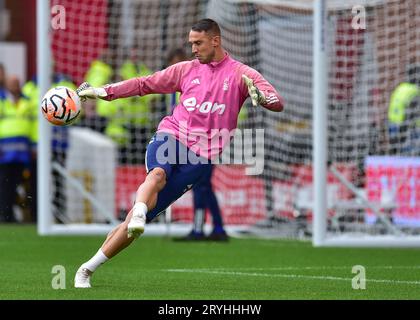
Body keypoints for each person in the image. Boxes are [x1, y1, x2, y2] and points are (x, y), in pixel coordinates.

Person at [74, 18, 284, 288]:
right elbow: (144, 84)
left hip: (200, 158)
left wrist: (264, 99)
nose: (193, 48)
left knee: (131, 227)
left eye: (198, 43)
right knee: (157, 174)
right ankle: (139, 210)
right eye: (191, 43)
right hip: (171, 135)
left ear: (215, 40)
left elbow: (277, 102)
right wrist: (104, 91)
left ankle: (86, 269)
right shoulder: (186, 70)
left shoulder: (241, 74)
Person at [166, 47, 228, 241]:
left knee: (200, 185)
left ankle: (199, 229)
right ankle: (218, 229)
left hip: (204, 141)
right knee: (204, 185)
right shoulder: (174, 86)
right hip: (188, 141)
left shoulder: (198, 83)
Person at [0, 75, 32, 223]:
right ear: (7, 85)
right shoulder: (2, 100)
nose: (15, 86)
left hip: (21, 152)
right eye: (12, 84)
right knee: (4, 184)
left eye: (17, 83)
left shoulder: (26, 101)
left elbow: (31, 125)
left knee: (19, 184)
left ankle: (15, 214)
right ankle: (5, 215)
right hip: (4, 152)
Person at [388, 64, 420, 155]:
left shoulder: (400, 87)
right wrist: (405, 128)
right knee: (408, 151)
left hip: (392, 122)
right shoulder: (414, 90)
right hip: (405, 125)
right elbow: (411, 111)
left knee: (395, 150)